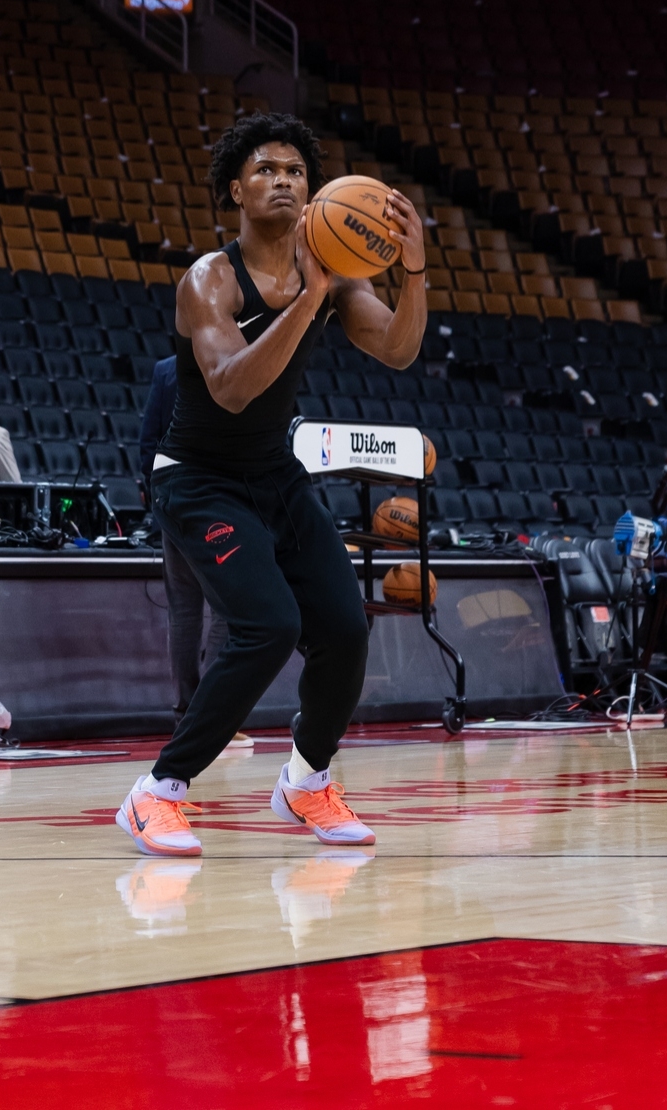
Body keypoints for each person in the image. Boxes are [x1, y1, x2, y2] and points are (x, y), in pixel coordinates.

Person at [116, 112, 427, 857]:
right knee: (267, 626)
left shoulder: (335, 274)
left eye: (295, 170)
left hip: (273, 473)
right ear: (236, 192)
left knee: (345, 628)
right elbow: (230, 389)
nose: (283, 179)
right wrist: (308, 300)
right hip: (196, 476)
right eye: (265, 169)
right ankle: (157, 792)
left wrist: (412, 270)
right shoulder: (210, 279)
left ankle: (306, 781)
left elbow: (398, 348)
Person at [140, 355, 232, 719]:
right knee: (226, 610)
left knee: (183, 613)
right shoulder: (233, 357)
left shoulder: (165, 369)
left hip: (174, 499)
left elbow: (148, 440)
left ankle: (186, 710)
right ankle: (210, 713)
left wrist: (158, 496)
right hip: (219, 500)